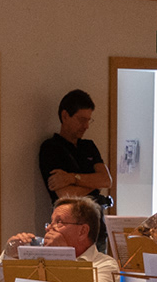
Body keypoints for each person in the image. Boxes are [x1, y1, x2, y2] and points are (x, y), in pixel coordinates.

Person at [37, 89, 113, 218]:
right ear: (65, 116)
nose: (86, 126)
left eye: (88, 120)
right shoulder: (50, 148)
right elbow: (66, 195)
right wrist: (95, 183)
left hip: (97, 221)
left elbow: (107, 180)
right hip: (68, 221)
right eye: (82, 120)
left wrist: (72, 178)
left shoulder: (88, 146)